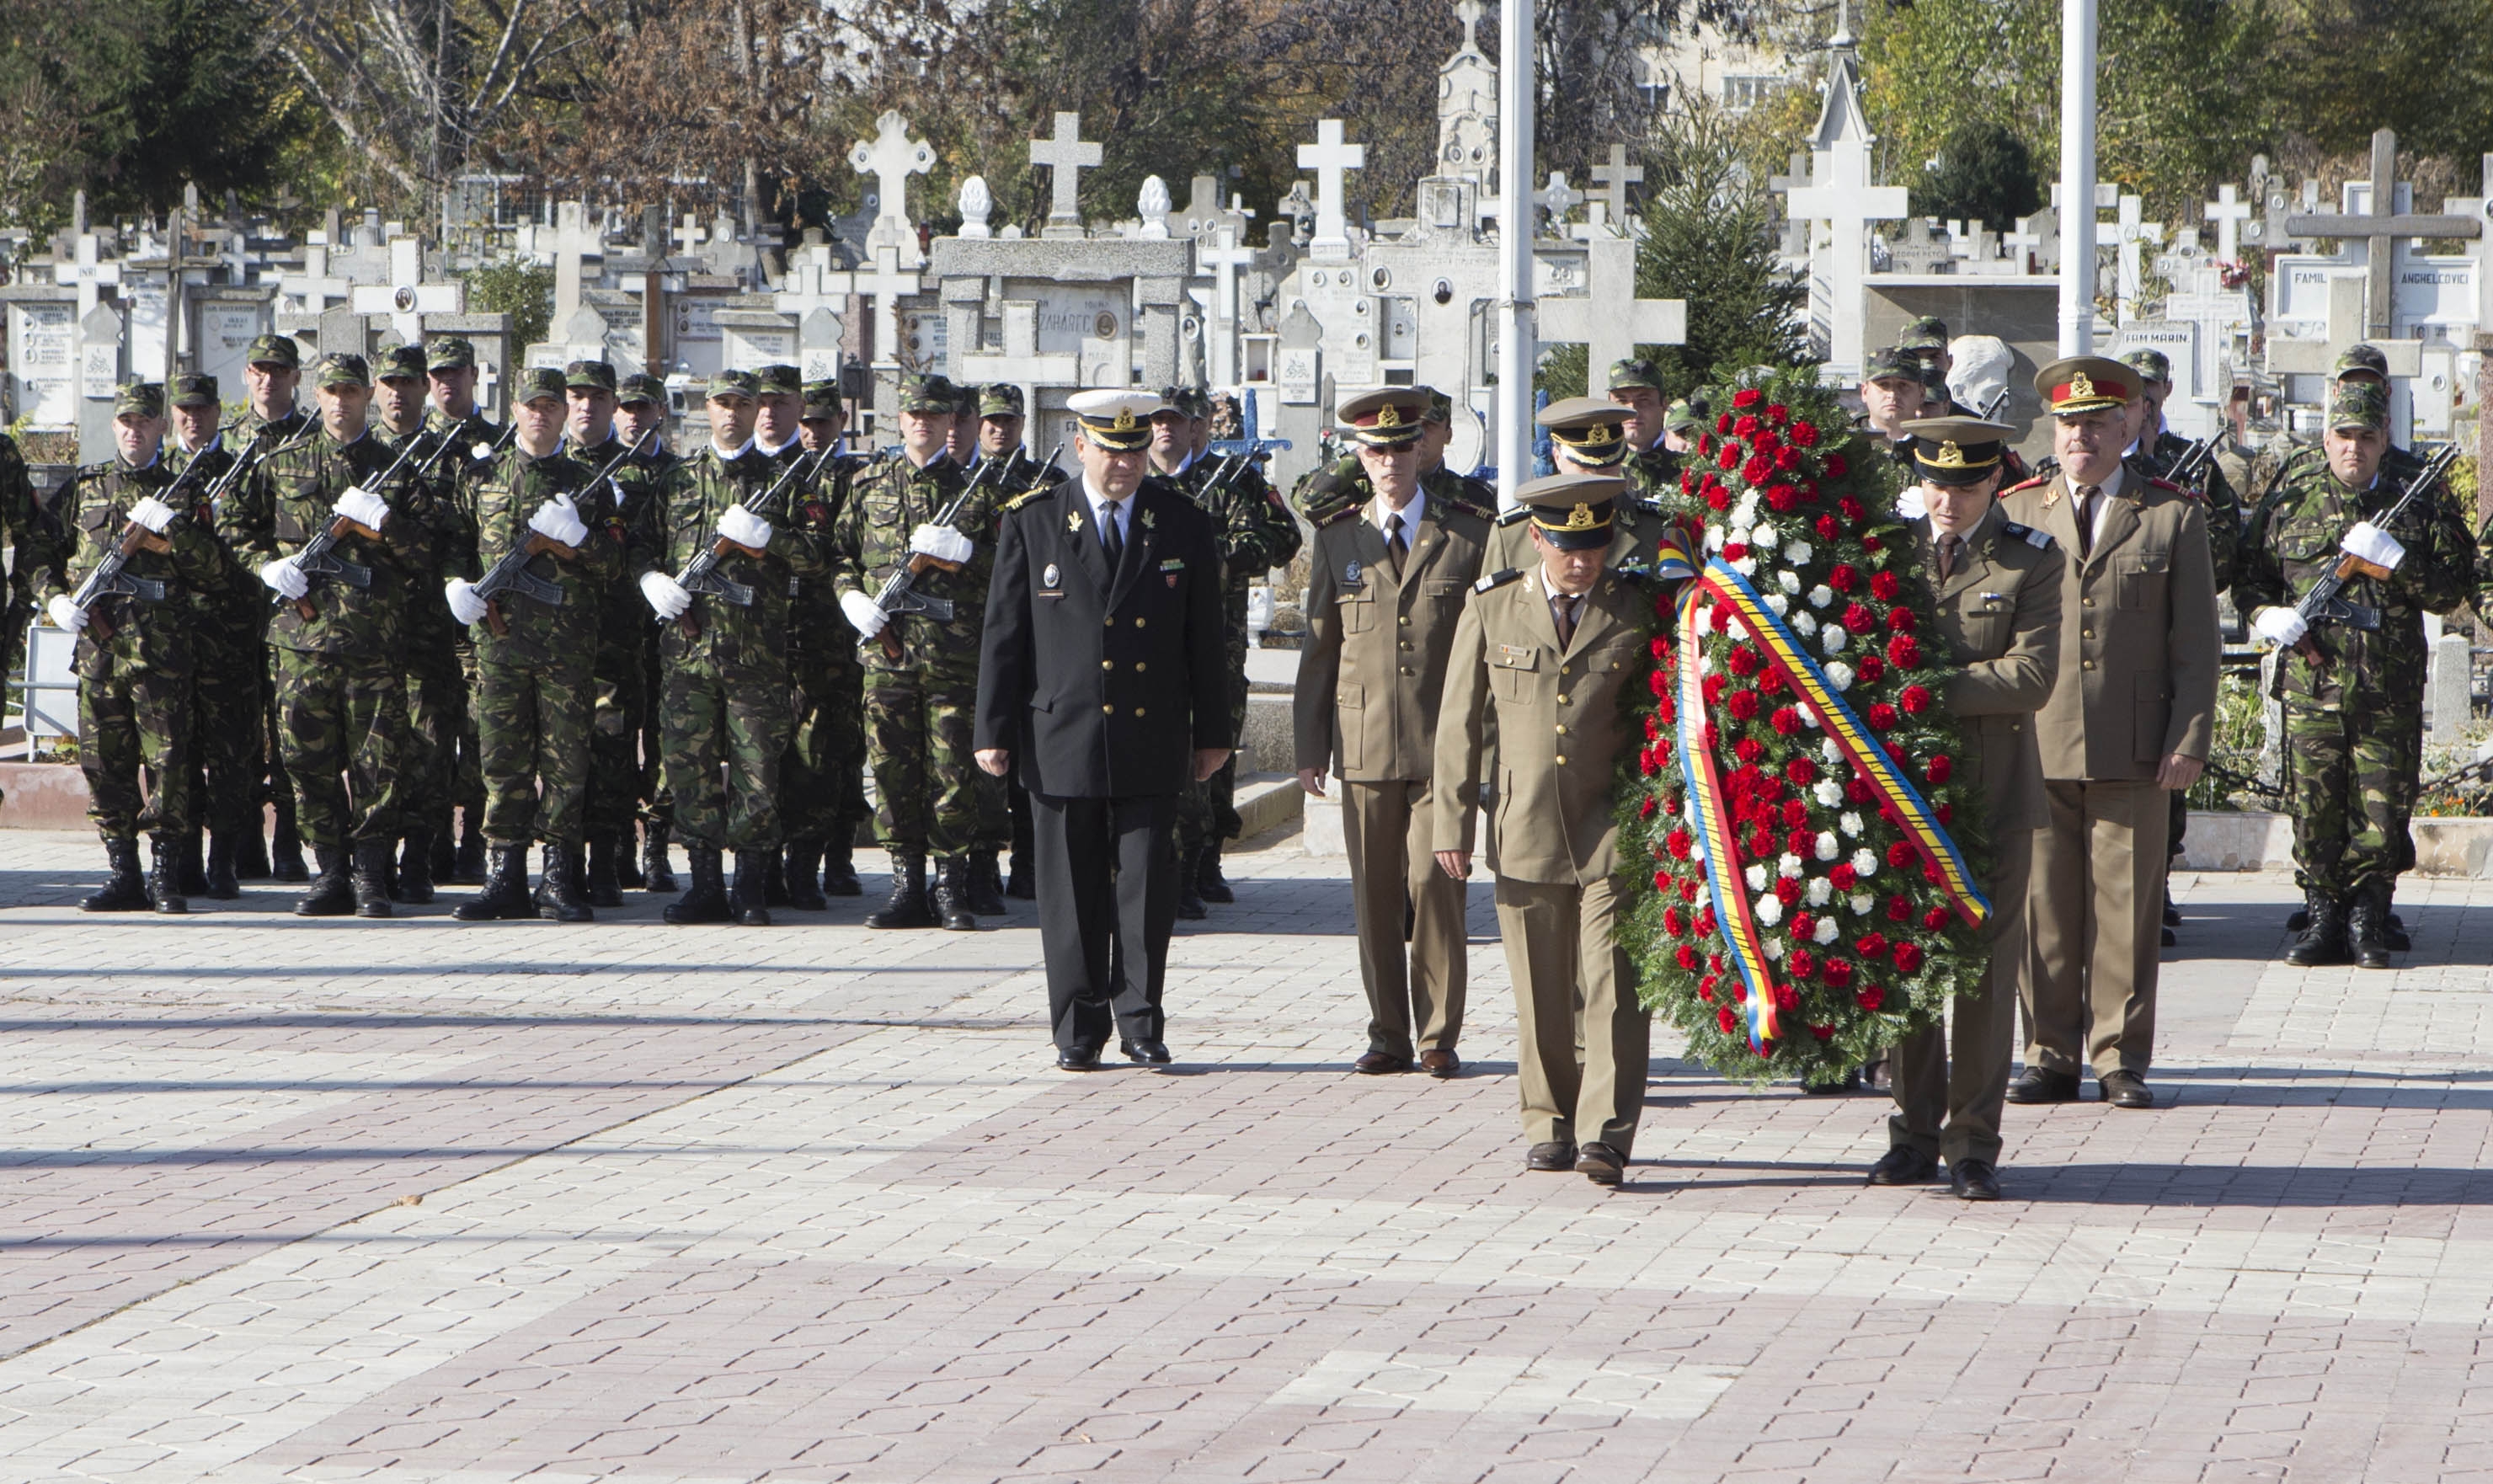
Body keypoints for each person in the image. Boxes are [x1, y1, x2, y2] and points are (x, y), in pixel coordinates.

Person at [974, 389, 1228, 1070]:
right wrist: (991, 728)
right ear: (1079, 445)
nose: (1124, 464)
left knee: (1145, 888)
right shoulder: (1034, 521)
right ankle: (1078, 1029)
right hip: (1063, 731)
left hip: (1150, 731)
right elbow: (1005, 633)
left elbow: (1207, 636)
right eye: (1111, 451)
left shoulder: (1179, 522)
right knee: (1070, 889)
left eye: (1135, 451)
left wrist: (1214, 732)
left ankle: (1141, 1021)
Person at [2000, 356, 2219, 1112]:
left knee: (2126, 913)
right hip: (2038, 738)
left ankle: (2120, 1058)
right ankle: (2049, 1053)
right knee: (2045, 911)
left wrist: (2189, 737)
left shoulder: (2172, 514)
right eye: (2069, 424)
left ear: (2128, 426)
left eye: (2096, 423)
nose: (2081, 437)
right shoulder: (2020, 512)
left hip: (2136, 742)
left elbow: (2196, 642)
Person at [1432, 472, 1658, 1186]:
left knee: (1613, 988)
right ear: (1538, 539)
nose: (1582, 561)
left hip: (1611, 832)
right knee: (1540, 995)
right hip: (1524, 829)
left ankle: (1605, 1134)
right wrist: (1452, 824)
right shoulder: (1494, 606)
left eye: (1594, 546)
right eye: (1567, 546)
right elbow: (1458, 722)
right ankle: (1550, 1122)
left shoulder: (1636, 608)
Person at [1866, 418, 2064, 1200]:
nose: (1947, 501)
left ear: (1995, 483)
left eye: (1965, 485)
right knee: (1909, 969)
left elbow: (2033, 675)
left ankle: (1973, 1142)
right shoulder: (1890, 553)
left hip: (1991, 797)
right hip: (1902, 797)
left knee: (1980, 975)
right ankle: (1910, 1132)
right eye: (1935, 484)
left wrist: (1920, 692)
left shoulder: (2029, 561)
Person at [2239, 382, 2474, 968]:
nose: (2354, 449)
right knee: (2314, 809)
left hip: (2387, 692)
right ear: (2326, 440)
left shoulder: (2417, 500)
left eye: (2366, 438)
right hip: (2311, 689)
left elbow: (2451, 591)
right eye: (2343, 437)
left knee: (2381, 811)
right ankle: (2323, 918)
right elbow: (2250, 575)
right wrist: (2267, 614)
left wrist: (2398, 561)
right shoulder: (2293, 498)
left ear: (2383, 439)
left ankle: (2369, 917)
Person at [1295, 387, 1493, 1077]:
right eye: (1376, 451)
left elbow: (1492, 654)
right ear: (1359, 456)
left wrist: (1488, 753)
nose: (1390, 462)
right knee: (1375, 895)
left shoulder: (1469, 533)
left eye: (1401, 447)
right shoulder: (1339, 537)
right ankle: (1387, 1033)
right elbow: (1320, 649)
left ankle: (1439, 1035)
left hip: (1445, 750)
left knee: (1437, 891)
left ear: (1423, 448)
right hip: (1365, 745)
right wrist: (1308, 748)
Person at [221, 353, 436, 918]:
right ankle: (331, 870)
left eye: (350, 390)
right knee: (304, 762)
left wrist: (385, 522)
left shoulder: (396, 467)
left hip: (372, 642)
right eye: (330, 390)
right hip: (300, 643)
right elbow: (234, 525)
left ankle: (370, 874)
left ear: (367, 395)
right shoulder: (283, 460)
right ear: (315, 394)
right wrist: (267, 566)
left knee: (377, 762)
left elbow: (427, 554)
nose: (340, 400)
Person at [35, 382, 236, 914]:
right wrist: (53, 599)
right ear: (114, 426)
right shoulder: (86, 486)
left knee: (169, 766)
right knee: (105, 765)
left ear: (161, 427)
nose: (134, 431)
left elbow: (217, 573)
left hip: (161, 656)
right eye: (126, 422)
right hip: (99, 654)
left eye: (145, 422)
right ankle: (123, 872)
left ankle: (165, 877)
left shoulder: (184, 492)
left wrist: (174, 532)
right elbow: (40, 548)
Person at [637, 369, 819, 926]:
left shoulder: (786, 479)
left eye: (744, 403)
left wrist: (771, 539)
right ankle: (705, 883)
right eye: (723, 403)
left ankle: (752, 886)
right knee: (688, 769)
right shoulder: (677, 478)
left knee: (757, 771)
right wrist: (649, 579)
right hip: (687, 656)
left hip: (756, 656)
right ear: (706, 408)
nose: (734, 413)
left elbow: (817, 554)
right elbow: (640, 546)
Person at [443, 365, 619, 921]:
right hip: (498, 646)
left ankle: (560, 876)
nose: (540, 414)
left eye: (550, 405)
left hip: (566, 649)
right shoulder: (480, 478)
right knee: (501, 763)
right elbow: (452, 545)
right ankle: (504, 877)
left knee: (566, 763)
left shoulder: (590, 487)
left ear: (564, 414)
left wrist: (581, 539)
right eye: (531, 405)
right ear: (515, 409)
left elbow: (616, 566)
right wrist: (455, 585)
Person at [833, 374, 996, 932]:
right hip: (886, 658)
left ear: (953, 422)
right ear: (899, 420)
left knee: (952, 773)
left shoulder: (978, 492)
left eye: (935, 415)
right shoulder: (868, 484)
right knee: (892, 771)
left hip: (953, 658)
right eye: (913, 414)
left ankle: (951, 888)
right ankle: (906, 886)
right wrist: (850, 597)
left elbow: (1012, 569)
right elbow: (838, 554)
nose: (923, 423)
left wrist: (970, 554)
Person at [1153, 386, 1302, 915]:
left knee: (1213, 753)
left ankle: (1204, 860)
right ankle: (1170, 866)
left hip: (1218, 644)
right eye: (1160, 421)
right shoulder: (1139, 486)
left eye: (1180, 421)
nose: (1167, 430)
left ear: (1200, 427)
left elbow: (1285, 538)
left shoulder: (1232, 481)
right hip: (1154, 647)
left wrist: (1220, 556)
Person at [2117, 346, 2247, 946]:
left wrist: (2191, 575)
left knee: (2164, 766)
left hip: (2171, 628)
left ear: (2165, 393)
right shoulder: (2102, 459)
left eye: (2150, 389)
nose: (2142, 400)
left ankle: (2158, 881)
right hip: (2123, 635)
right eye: (2132, 390)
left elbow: (2227, 536)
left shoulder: (2187, 461)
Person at [161, 373, 260, 899]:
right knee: (178, 751)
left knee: (230, 753)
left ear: (219, 412)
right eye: (183, 409)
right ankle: (183, 861)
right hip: (172, 639)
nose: (192, 419)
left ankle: (223, 860)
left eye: (201, 409)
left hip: (231, 633)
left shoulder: (242, 470)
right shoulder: (159, 473)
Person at [370, 344, 460, 905]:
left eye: (408, 383)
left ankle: (421, 856)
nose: (398, 393)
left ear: (424, 390)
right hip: (366, 629)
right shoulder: (359, 456)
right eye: (389, 383)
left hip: (427, 627)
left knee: (429, 745)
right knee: (375, 748)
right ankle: (372, 860)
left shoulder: (448, 455)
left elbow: (454, 537)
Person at [781, 377, 869, 906]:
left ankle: (837, 857)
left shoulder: (855, 479)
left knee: (841, 750)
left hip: (838, 638)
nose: (813, 432)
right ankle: (791, 862)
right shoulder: (785, 475)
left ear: (840, 424)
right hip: (785, 636)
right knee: (792, 753)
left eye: (822, 422)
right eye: (806, 422)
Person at [967, 384, 1054, 901]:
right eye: (992, 420)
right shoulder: (963, 482)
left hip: (1035, 640)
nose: (1001, 429)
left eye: (1010, 421)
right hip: (970, 636)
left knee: (1030, 757)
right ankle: (980, 870)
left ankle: (1029, 864)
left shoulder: (1046, 484)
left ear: (1023, 424)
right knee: (979, 760)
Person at [424, 335, 503, 885]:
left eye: (456, 372)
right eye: (437, 374)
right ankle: (430, 843)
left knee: (479, 734)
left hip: (483, 612)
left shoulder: (498, 445)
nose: (446, 382)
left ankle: (474, 839)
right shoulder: (410, 446)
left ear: (475, 375)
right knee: (428, 733)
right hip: (425, 613)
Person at [235, 334, 313, 883]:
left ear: (295, 377)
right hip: (236, 609)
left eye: (279, 370)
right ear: (247, 375)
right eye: (260, 369)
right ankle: (244, 846)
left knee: (291, 732)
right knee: (239, 734)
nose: (269, 378)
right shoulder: (227, 441)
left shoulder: (312, 439)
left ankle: (288, 843)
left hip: (297, 612)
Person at [605, 374, 685, 894]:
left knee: (663, 736)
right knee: (611, 736)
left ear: (659, 411)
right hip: (611, 624)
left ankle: (656, 843)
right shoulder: (599, 467)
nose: (633, 416)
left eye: (642, 407)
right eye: (626, 408)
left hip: (664, 624)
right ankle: (615, 846)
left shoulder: (678, 475)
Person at [1604, 357, 1681, 492]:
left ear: (1663, 405)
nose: (1633, 410)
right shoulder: (1597, 471)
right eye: (1622, 401)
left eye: (1644, 400)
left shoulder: (1686, 472)